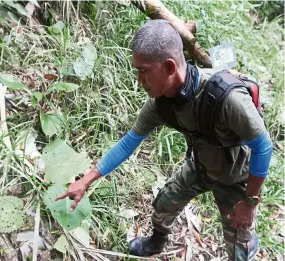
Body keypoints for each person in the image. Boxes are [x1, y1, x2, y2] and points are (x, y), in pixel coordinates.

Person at [56, 19, 273, 260]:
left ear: (170, 67)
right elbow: (129, 142)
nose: (139, 80)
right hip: (201, 164)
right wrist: (86, 180)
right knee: (164, 203)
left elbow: (263, 147)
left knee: (240, 247)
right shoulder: (161, 105)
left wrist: (250, 202)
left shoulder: (227, 99)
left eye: (144, 71)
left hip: (235, 177)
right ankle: (156, 242)